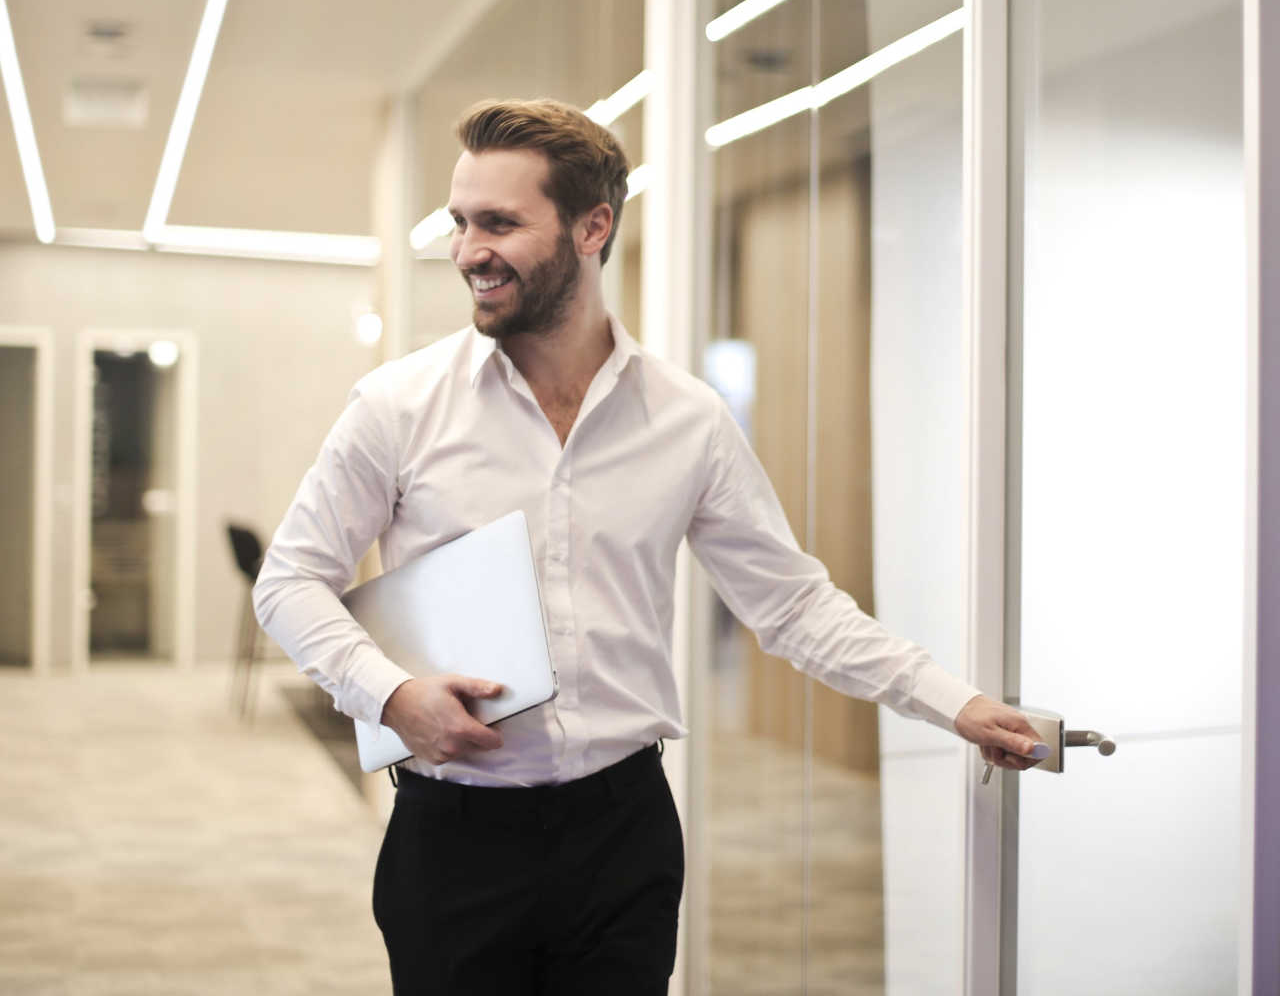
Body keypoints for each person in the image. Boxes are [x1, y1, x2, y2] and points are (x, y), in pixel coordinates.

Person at [253, 98, 1043, 996]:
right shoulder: (398, 406)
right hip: (454, 841)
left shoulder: (685, 419)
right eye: (462, 221)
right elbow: (290, 580)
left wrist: (953, 702)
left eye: (500, 222)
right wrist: (390, 694)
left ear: (594, 228)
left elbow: (791, 604)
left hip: (621, 835)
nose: (469, 249)